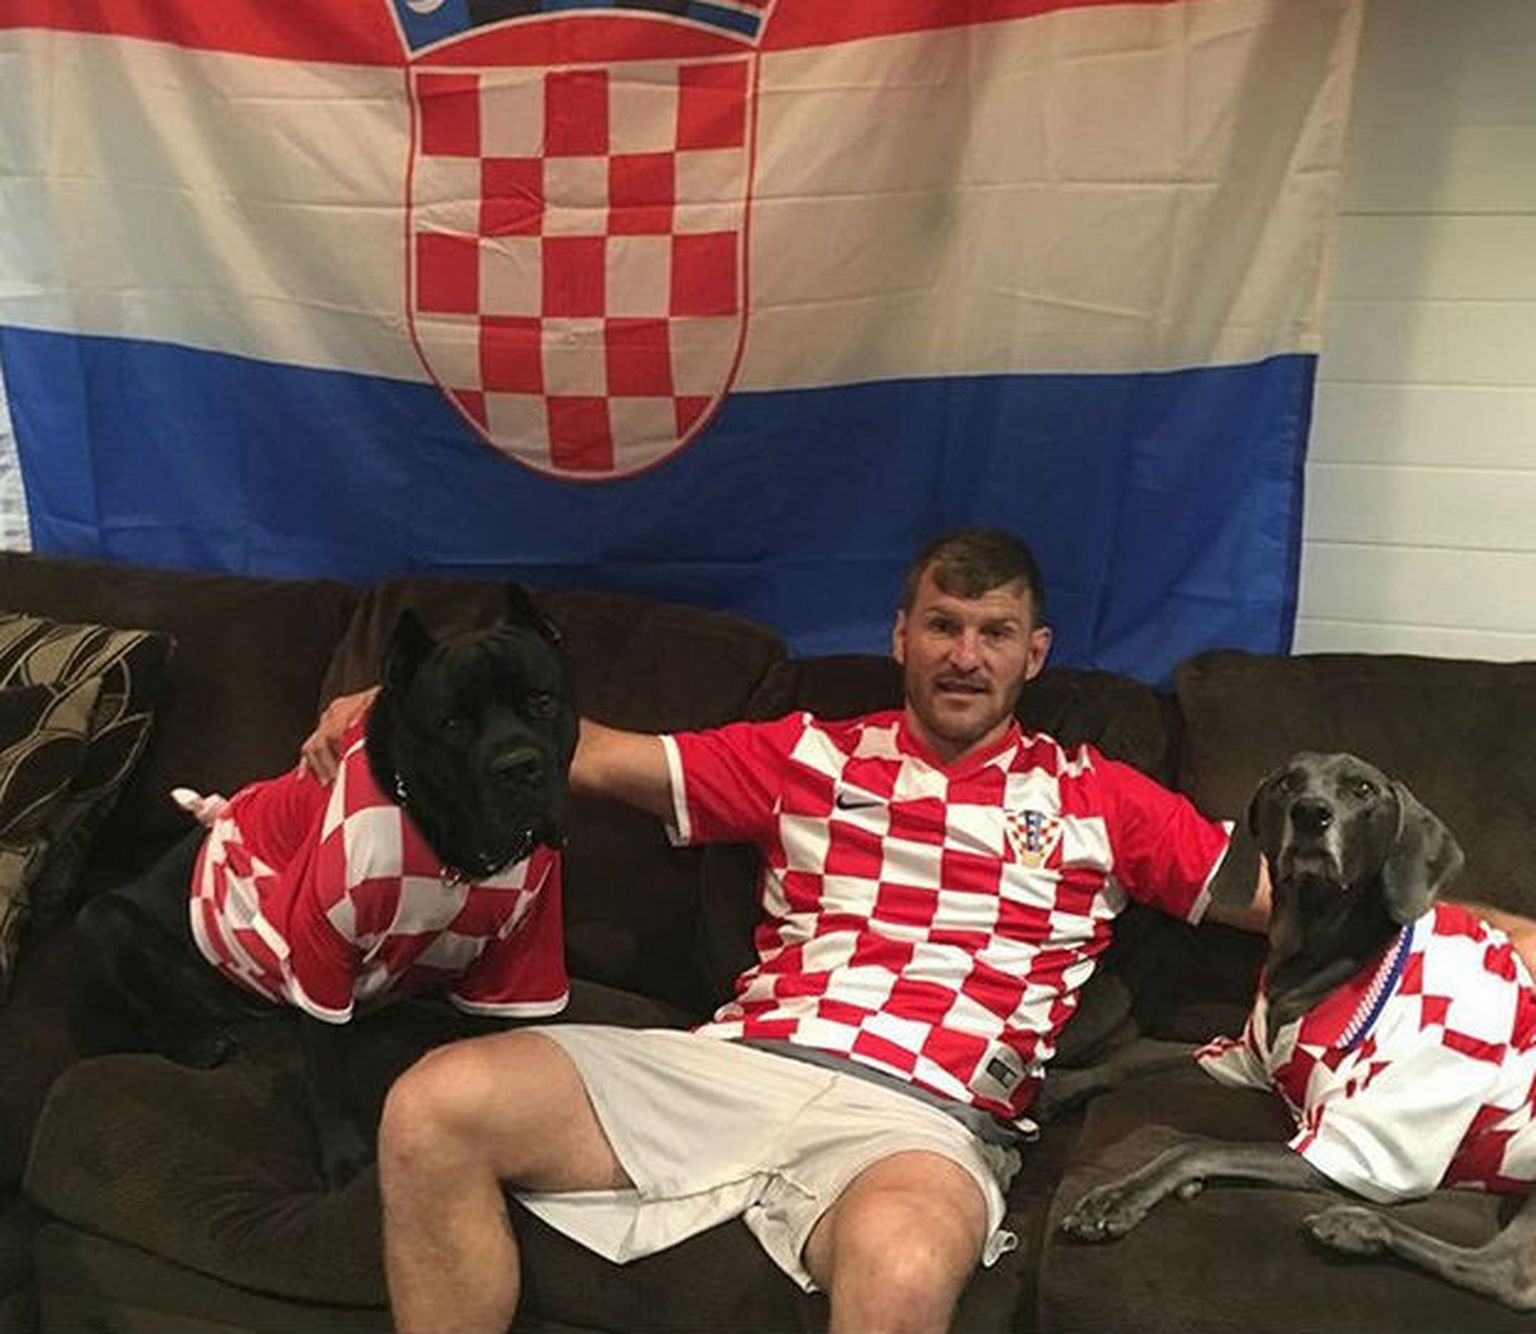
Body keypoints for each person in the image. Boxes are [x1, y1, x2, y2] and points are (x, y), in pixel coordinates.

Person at [300, 529, 1271, 1334]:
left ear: (1036, 652)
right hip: (739, 1062)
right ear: (901, 635)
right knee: (434, 1105)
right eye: (943, 624)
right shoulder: (807, 753)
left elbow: (1285, 899)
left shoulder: (1102, 796)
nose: (965, 655)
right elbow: (583, 751)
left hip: (923, 1112)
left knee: (903, 1264)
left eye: (995, 632)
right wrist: (401, 705)